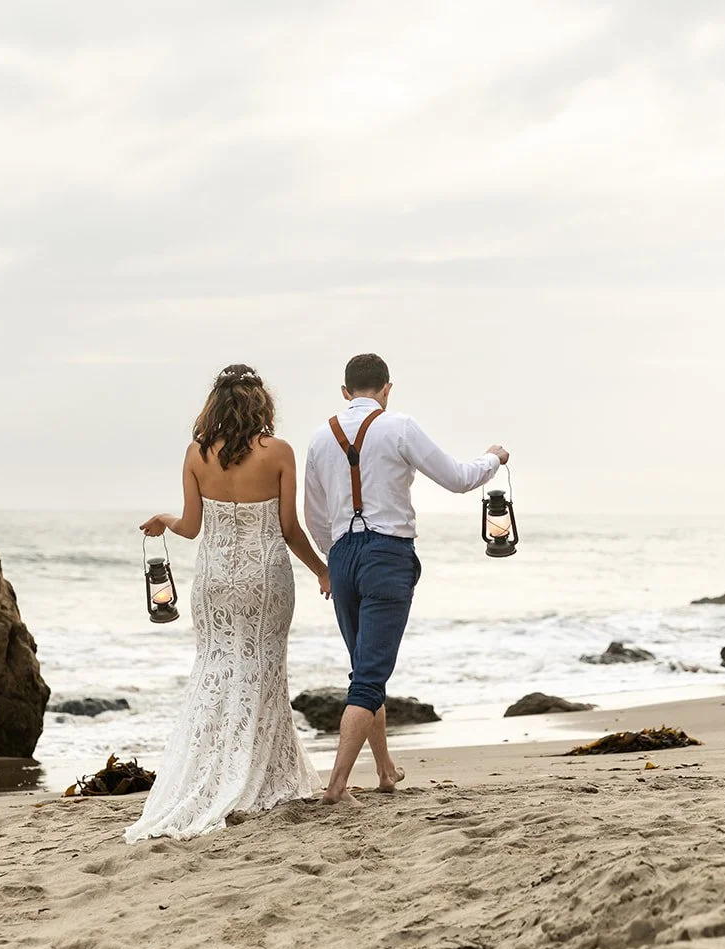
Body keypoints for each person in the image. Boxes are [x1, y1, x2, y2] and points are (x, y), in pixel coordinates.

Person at [125, 364, 328, 842]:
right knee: (263, 670)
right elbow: (289, 529)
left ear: (214, 405)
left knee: (215, 671)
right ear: (261, 404)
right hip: (266, 581)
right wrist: (322, 569)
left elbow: (192, 528)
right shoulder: (278, 453)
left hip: (215, 582)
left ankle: (209, 771)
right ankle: (258, 775)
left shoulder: (196, 455)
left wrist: (164, 519)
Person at [303, 353, 508, 805]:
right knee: (369, 677)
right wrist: (492, 459)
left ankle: (384, 770)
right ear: (387, 388)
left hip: (341, 556)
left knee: (365, 668)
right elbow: (457, 479)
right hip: (387, 555)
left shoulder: (320, 438)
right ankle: (335, 786)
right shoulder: (399, 427)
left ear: (344, 392)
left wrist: (331, 563)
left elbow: (313, 515)